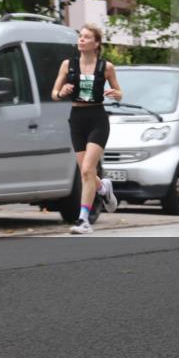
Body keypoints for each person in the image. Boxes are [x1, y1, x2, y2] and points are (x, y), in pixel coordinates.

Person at [51, 23, 123, 234]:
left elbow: (119, 92)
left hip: (97, 118)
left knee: (86, 170)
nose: (81, 40)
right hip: (76, 119)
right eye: (80, 36)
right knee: (87, 173)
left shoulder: (106, 67)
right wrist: (62, 91)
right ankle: (103, 187)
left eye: (87, 37)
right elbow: (54, 93)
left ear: (96, 43)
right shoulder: (68, 65)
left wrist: (116, 94)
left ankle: (83, 220)